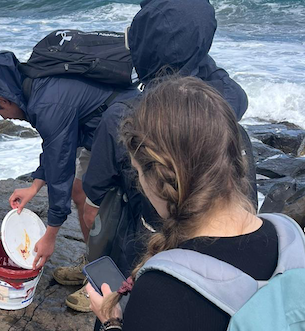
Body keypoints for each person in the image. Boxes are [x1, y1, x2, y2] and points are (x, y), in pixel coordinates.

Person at [81, 0, 257, 284]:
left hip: (144, 247)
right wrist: (194, 48)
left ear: (143, 45)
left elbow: (94, 198)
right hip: (218, 254)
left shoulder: (123, 117)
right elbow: (209, 72)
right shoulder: (227, 101)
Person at [86, 76, 278, 330]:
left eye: (138, 172)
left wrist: (111, 322)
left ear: (160, 179)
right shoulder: (286, 236)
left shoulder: (161, 292)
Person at [0, 51, 139, 274]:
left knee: (95, 213)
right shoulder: (33, 83)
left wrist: (50, 236)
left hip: (124, 129)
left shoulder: (46, 104)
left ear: (3, 100)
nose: (4, 119)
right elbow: (55, 145)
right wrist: (35, 186)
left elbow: (61, 167)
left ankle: (104, 281)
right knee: (78, 191)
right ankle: (92, 265)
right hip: (100, 128)